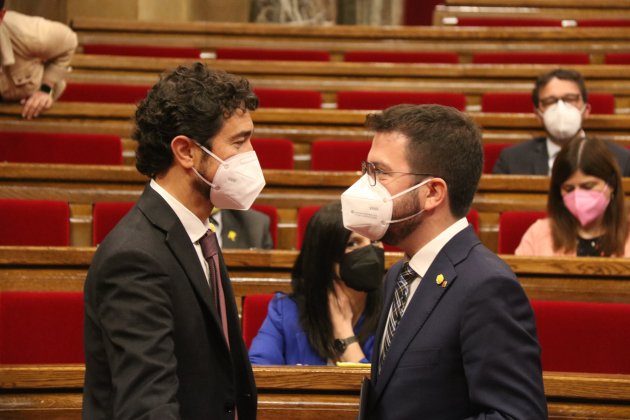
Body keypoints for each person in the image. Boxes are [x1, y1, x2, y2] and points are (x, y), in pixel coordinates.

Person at [341, 104, 547, 418]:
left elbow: (515, 415)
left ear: (433, 192)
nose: (365, 185)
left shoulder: (486, 285)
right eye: (366, 170)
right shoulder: (399, 273)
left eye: (380, 172)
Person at [83, 63, 264, 419]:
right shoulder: (134, 257)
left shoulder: (198, 233)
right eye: (239, 141)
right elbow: (148, 406)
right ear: (185, 152)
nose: (251, 155)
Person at [249, 202, 384, 365]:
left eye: (375, 240)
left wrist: (344, 335)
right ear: (324, 255)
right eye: (353, 243)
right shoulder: (286, 311)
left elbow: (378, 389)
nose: (369, 250)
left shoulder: (392, 312)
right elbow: (258, 372)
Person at [493, 68, 630, 176]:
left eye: (570, 99)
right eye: (550, 101)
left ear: (586, 110)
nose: (560, 108)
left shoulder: (620, 159)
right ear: (538, 115)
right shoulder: (511, 160)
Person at [516, 137, 630, 257]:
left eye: (588, 186)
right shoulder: (538, 234)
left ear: (611, 184)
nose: (577, 196)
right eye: (569, 189)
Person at [0, 1, 77, 119]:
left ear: (1, 16)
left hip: (36, 113)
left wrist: (45, 89)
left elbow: (70, 42)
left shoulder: (29, 34)